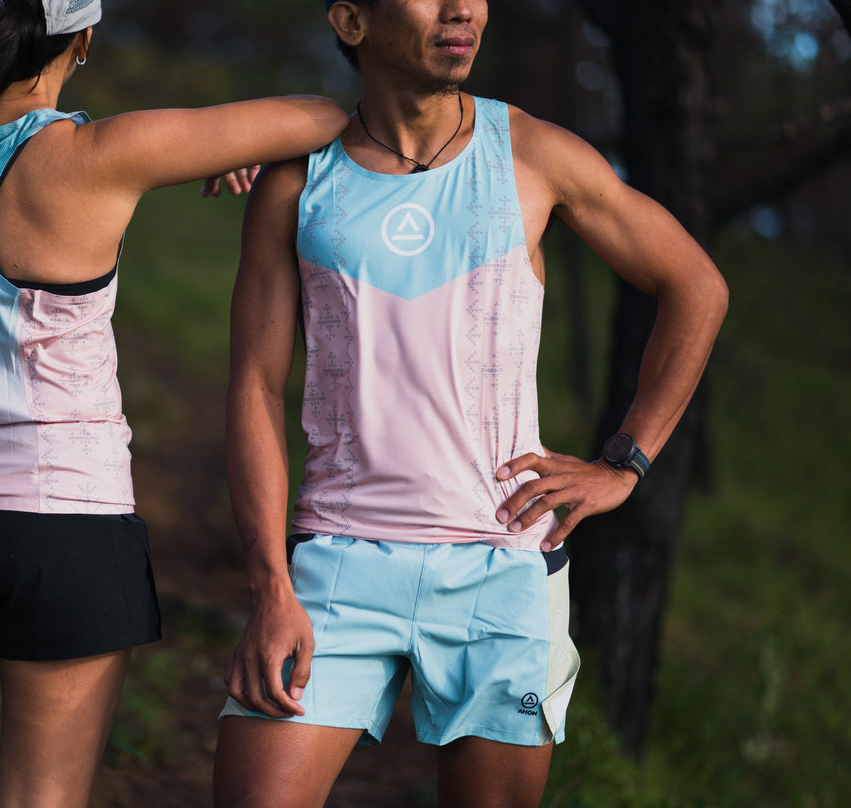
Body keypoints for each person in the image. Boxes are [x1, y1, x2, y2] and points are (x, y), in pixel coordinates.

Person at [0, 1, 346, 806]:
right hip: (66, 523)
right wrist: (241, 153)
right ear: (82, 38)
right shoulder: (104, 154)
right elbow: (323, 114)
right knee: (41, 795)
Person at [212, 1, 728, 806]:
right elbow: (252, 386)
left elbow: (696, 285)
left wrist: (625, 463)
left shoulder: (533, 154)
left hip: (503, 562)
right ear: (351, 20)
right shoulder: (295, 177)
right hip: (339, 557)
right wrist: (271, 588)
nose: (462, 9)